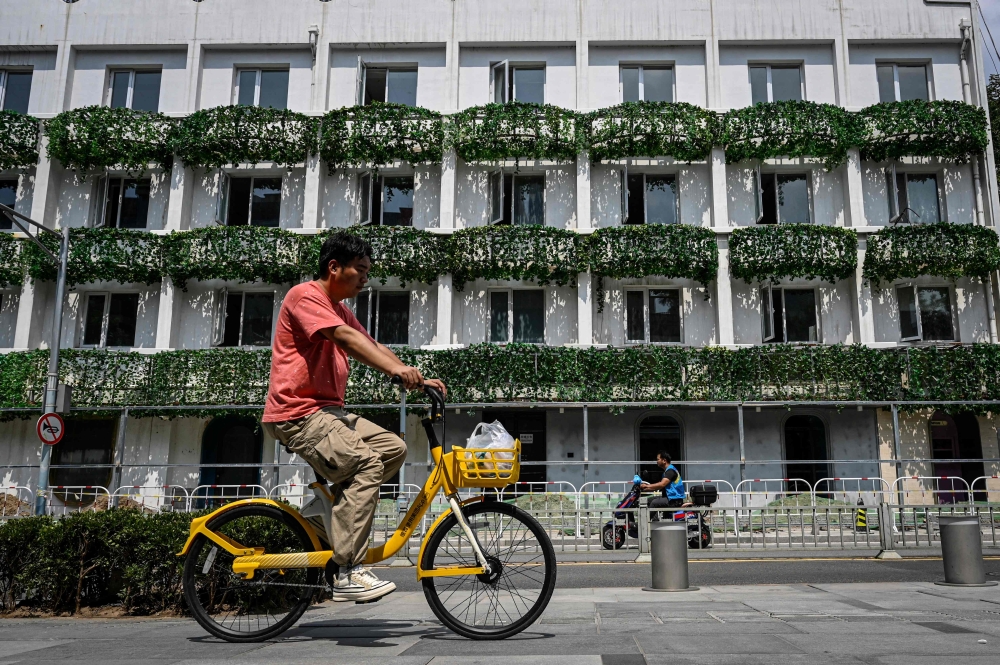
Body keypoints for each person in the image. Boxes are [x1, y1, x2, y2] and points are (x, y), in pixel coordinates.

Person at [262, 231, 447, 604]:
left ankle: (324, 516)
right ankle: (346, 571)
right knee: (365, 465)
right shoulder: (305, 296)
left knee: (392, 449)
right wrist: (398, 373)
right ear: (335, 267)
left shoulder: (339, 308)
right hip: (299, 413)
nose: (366, 278)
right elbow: (347, 338)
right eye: (360, 270)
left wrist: (414, 375)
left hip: (328, 413)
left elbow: (372, 344)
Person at [640, 451, 685, 521]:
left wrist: (647, 486)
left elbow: (662, 484)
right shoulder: (666, 472)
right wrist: (644, 489)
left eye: (658, 459)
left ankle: (643, 522)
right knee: (649, 500)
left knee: (654, 503)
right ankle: (654, 521)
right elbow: (660, 485)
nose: (656, 461)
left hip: (674, 500)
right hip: (670, 498)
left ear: (664, 460)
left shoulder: (671, 471)